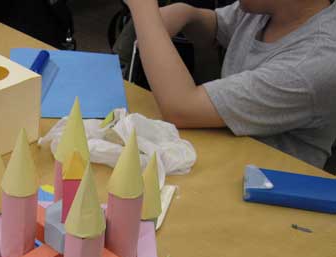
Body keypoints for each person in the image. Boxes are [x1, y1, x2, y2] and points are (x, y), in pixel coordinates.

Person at [123, 0, 336, 168]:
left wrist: (143, 7)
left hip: (272, 199)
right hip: (223, 160)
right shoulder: (270, 9)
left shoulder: (313, 62)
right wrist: (188, 14)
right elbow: (220, 26)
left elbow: (180, 107)